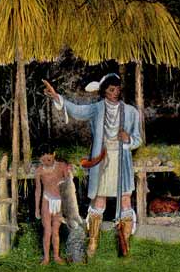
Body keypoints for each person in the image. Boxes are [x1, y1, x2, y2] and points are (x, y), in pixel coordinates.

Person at [42, 73, 141, 258]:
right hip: (102, 159)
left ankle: (125, 241)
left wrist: (128, 139)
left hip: (122, 160)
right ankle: (93, 241)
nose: (115, 92)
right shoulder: (97, 109)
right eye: (111, 90)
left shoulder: (131, 112)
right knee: (99, 199)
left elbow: (138, 139)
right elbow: (76, 111)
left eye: (118, 89)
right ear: (104, 92)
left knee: (125, 200)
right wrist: (57, 97)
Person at [35, 147, 69, 265]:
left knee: (55, 231)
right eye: (43, 157)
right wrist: (37, 209)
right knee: (47, 231)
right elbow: (38, 190)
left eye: (49, 156)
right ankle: (46, 258)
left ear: (53, 154)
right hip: (46, 200)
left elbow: (69, 184)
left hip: (59, 202)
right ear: (40, 159)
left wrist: (68, 206)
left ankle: (56, 256)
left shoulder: (61, 166)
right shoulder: (39, 171)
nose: (47, 159)